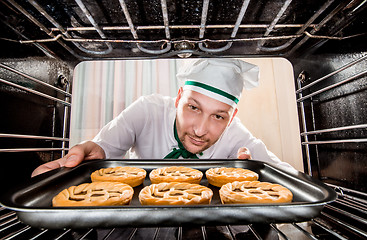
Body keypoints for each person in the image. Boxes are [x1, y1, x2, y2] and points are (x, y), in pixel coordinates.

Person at [31, 58, 294, 177]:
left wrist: (254, 176)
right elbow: (103, 148)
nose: (201, 130)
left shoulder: (238, 138)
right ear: (179, 97)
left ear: (232, 115)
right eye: (193, 107)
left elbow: (288, 176)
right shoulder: (147, 111)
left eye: (218, 116)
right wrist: (91, 153)